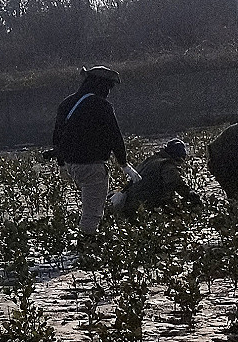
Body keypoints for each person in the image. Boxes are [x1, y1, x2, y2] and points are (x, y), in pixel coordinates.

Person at [52, 66, 135, 241]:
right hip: (92, 167)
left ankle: (86, 240)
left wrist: (61, 165)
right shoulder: (101, 105)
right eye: (109, 87)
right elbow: (115, 137)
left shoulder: (67, 103)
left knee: (88, 206)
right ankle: (85, 247)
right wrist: (124, 164)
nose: (109, 92)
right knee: (93, 213)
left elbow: (57, 137)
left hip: (71, 165)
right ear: (101, 85)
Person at [114, 140, 202, 218]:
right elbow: (178, 186)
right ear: (179, 157)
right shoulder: (167, 166)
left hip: (127, 203)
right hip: (141, 207)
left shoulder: (150, 160)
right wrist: (192, 196)